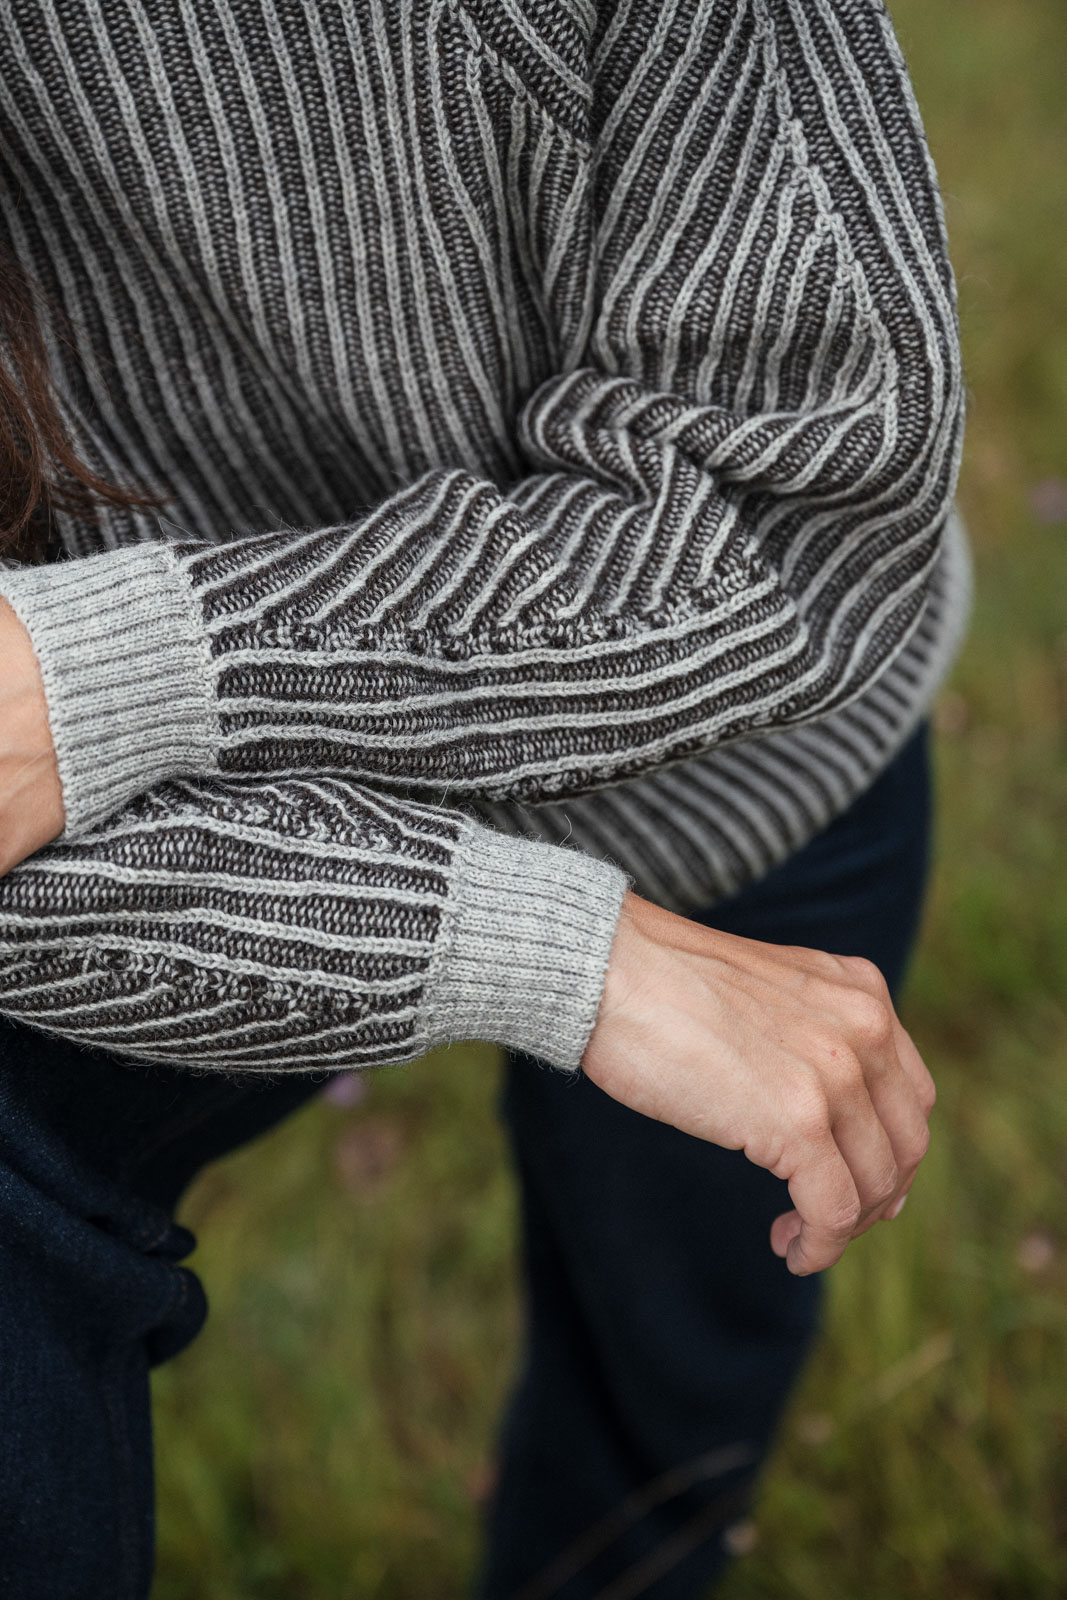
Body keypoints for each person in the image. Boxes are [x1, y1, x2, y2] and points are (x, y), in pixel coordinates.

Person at [0, 2, 968, 1596]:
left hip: (735, 753)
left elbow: (797, 493)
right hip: (174, 813)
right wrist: (548, 949)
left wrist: (123, 668)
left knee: (664, 1426)